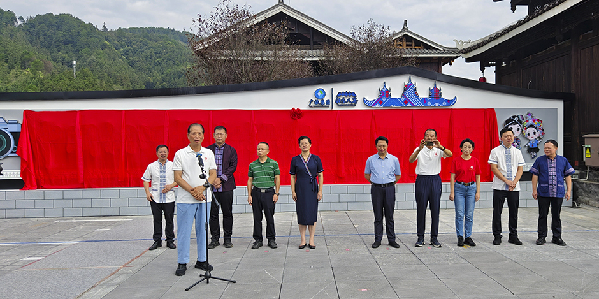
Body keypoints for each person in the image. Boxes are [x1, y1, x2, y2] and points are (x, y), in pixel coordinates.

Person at [172, 123, 217, 276]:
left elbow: (213, 174)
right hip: (186, 199)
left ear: (203, 136)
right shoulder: (180, 154)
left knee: (203, 229)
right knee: (184, 231)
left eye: (199, 134)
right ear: (188, 135)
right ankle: (182, 261)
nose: (196, 136)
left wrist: (202, 188)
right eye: (193, 133)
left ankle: (202, 260)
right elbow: (177, 177)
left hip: (205, 198)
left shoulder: (208, 153)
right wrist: (193, 191)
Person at [409, 129, 452, 247]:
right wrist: (418, 149)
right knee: (421, 209)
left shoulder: (438, 149)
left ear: (436, 138)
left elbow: (450, 154)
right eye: (427, 136)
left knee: (435, 210)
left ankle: (434, 238)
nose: (430, 138)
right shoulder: (419, 149)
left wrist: (441, 147)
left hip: (435, 180)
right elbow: (411, 160)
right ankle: (420, 237)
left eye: (432, 136)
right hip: (422, 180)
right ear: (424, 137)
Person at [530, 140, 574, 246]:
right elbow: (535, 175)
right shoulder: (540, 160)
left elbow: (568, 176)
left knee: (556, 216)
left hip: (558, 192)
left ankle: (557, 237)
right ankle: (541, 237)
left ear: (555, 148)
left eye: (549, 148)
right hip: (543, 192)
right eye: (545, 148)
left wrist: (568, 191)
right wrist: (534, 190)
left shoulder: (563, 160)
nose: (546, 150)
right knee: (542, 215)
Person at [488, 128, 525, 245]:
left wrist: (514, 182)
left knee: (514, 212)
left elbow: (520, 169)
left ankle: (513, 235)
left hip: (514, 187)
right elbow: (494, 168)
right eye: (506, 136)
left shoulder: (517, 152)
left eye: (511, 136)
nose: (509, 138)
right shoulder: (495, 151)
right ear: (501, 138)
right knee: (497, 211)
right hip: (499, 186)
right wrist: (506, 181)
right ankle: (497, 235)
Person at [364, 136, 402, 249]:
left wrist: (389, 184)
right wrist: (375, 182)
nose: (382, 148)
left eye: (384, 146)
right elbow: (366, 174)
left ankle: (391, 239)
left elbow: (398, 175)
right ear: (376, 147)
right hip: (376, 189)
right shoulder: (370, 160)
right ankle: (378, 239)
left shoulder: (394, 159)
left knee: (390, 215)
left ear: (387, 146)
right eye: (379, 146)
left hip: (389, 189)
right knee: (378, 216)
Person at [207, 126, 238, 249]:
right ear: (213, 135)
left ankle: (227, 239)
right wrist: (213, 180)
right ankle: (214, 239)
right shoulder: (208, 150)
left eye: (222, 134)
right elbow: (204, 166)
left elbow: (233, 166)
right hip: (211, 188)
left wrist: (221, 179)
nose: (219, 136)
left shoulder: (231, 150)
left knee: (227, 213)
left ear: (226, 135)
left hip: (226, 187)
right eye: (217, 134)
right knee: (212, 214)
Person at [142, 145, 178, 251]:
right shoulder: (151, 166)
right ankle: (157, 241)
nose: (163, 153)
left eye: (165, 152)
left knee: (169, 220)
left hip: (169, 198)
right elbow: (145, 180)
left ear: (168, 153)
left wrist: (171, 186)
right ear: (157, 153)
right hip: (155, 198)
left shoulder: (173, 165)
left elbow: (179, 179)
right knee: (157, 220)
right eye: (160, 152)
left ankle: (170, 241)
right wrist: (147, 192)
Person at [290, 136, 324, 249]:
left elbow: (320, 175)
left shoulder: (316, 159)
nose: (304, 145)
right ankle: (303, 239)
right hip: (300, 188)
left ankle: (311, 239)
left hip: (312, 188)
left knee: (312, 213)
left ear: (310, 145)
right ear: (299, 146)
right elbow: (292, 176)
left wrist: (320, 191)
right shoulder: (295, 159)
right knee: (302, 213)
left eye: (306, 143)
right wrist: (293, 191)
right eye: (302, 143)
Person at [247, 142, 281, 250]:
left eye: (262, 149)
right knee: (257, 218)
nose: (259, 151)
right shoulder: (252, 165)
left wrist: (276, 193)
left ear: (268, 151)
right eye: (258, 149)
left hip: (269, 193)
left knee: (269, 217)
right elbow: (250, 180)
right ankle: (258, 240)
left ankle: (271, 239)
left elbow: (277, 178)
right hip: (256, 193)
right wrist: (249, 195)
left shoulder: (273, 163)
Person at [449, 139, 481, 247]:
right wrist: (452, 192)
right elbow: (452, 176)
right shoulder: (456, 160)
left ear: (472, 149)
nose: (467, 149)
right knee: (459, 213)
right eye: (465, 147)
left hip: (471, 188)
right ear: (461, 148)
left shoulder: (475, 161)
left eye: (469, 147)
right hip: (459, 188)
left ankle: (468, 236)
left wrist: (478, 192)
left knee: (469, 214)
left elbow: (478, 177)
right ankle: (460, 236)